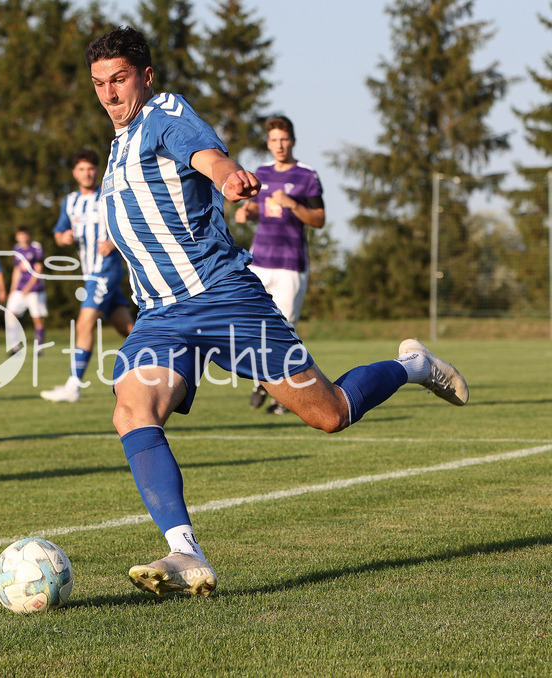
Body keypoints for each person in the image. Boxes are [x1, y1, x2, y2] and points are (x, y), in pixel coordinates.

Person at [84, 27, 468, 597]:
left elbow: (205, 153)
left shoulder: (163, 112)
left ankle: (412, 366)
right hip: (160, 316)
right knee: (131, 411)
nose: (110, 94)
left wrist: (227, 173)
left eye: (119, 80)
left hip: (222, 297)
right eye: (99, 84)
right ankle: (185, 552)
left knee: (329, 413)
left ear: (146, 76)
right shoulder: (115, 153)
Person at [235, 115, 325, 415]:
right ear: (268, 143)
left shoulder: (306, 175)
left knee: (284, 331)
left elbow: (319, 220)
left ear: (293, 141)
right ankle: (266, 382)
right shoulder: (259, 173)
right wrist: (246, 213)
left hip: (291, 265)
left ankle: (276, 394)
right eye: (273, 140)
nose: (279, 145)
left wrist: (294, 205)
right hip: (259, 261)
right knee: (253, 325)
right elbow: (254, 209)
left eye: (284, 139)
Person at [40, 149, 133, 403]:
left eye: (91, 168)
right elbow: (59, 232)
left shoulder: (108, 195)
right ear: (74, 173)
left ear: (96, 170)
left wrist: (114, 242)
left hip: (105, 270)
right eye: (81, 169)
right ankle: (166, 361)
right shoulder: (70, 202)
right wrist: (63, 237)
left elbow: (129, 222)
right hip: (89, 272)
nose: (87, 173)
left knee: (83, 324)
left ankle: (73, 385)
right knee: (127, 328)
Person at [4, 226, 47, 355]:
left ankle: (39, 347)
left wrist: (27, 288)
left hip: (35, 290)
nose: (23, 237)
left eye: (25, 234)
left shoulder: (36, 247)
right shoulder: (16, 249)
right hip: (19, 290)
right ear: (17, 236)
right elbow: (17, 270)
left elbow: (39, 269)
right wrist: (12, 289)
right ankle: (16, 346)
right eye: (20, 235)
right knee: (10, 314)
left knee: (37, 318)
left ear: (28, 235)